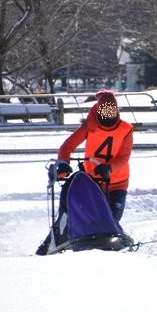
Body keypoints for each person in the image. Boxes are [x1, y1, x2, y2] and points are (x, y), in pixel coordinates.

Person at [56, 89, 134, 221]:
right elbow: (67, 146)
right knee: (86, 218)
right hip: (92, 181)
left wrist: (109, 168)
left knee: (111, 221)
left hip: (117, 183)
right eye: (105, 111)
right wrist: (64, 163)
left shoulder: (125, 129)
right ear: (98, 110)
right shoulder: (89, 126)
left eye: (112, 111)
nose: (109, 115)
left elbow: (123, 158)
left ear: (116, 111)